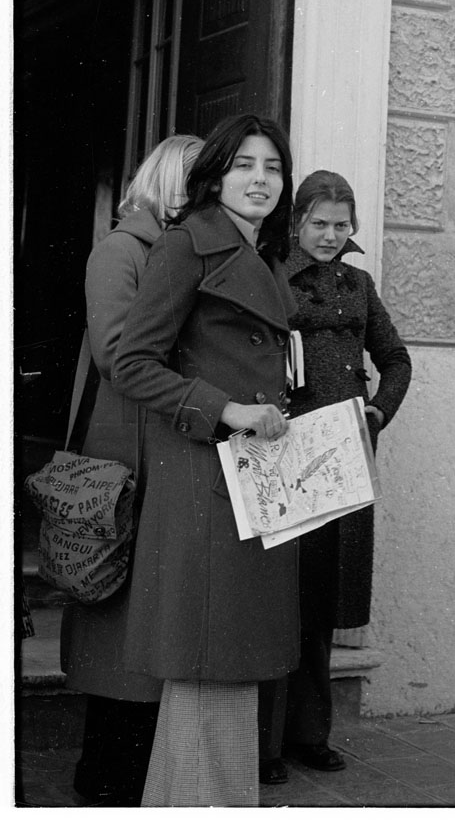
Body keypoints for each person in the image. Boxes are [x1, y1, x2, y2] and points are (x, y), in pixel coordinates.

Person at [111, 114, 301, 807]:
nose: (260, 179)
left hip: (253, 485)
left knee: (225, 668)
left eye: (273, 167)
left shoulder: (264, 255)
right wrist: (226, 409)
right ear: (215, 176)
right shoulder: (186, 244)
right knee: (209, 664)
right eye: (244, 164)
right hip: (204, 485)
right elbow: (132, 363)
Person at [60, 133, 202, 806]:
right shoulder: (122, 249)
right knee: (116, 611)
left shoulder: (185, 248)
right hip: (125, 450)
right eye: (198, 181)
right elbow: (116, 352)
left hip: (168, 444)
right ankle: (105, 776)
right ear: (168, 181)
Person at [259, 170, 411, 784]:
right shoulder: (270, 275)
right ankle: (265, 743)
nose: (329, 235)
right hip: (285, 454)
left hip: (344, 459)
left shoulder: (359, 283)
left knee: (321, 600)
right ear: (297, 222)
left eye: (341, 225)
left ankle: (309, 735)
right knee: (279, 599)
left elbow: (395, 358)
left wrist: (378, 412)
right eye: (319, 223)